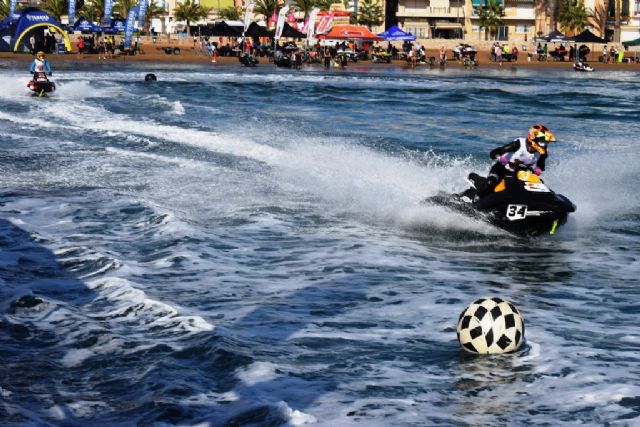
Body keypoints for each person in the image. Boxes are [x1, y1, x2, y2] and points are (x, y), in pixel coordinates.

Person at [476, 124, 556, 197]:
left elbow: (540, 166)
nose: (544, 145)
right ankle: (477, 199)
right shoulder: (517, 145)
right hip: (502, 169)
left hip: (523, 173)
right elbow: (493, 153)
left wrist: (538, 169)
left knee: (541, 186)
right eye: (543, 142)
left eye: (546, 143)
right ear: (533, 138)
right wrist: (500, 158)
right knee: (490, 183)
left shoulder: (542, 153)